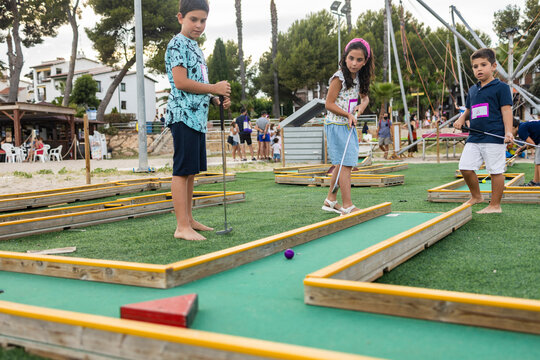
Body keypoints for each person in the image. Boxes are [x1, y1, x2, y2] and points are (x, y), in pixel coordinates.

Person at [165, 0, 231, 241]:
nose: (199, 25)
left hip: (197, 117)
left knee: (191, 171)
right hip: (182, 115)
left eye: (203, 20)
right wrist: (214, 87)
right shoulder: (176, 45)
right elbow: (180, 82)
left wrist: (214, 98)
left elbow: (197, 84)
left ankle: (189, 219)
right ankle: (181, 227)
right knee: (182, 171)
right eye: (194, 19)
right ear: (180, 17)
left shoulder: (196, 48)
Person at [453, 48, 513, 214]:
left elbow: (507, 110)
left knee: (495, 171)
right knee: (465, 167)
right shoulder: (473, 90)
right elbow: (470, 109)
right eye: (475, 66)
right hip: (474, 136)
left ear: (493, 66)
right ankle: (477, 196)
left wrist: (508, 132)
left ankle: (495, 205)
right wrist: (461, 118)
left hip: (494, 136)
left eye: (483, 65)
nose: (478, 69)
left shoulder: (501, 87)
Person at [322, 37, 374, 215]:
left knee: (341, 164)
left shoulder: (359, 76)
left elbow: (365, 98)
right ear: (345, 57)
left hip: (348, 125)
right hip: (336, 124)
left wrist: (360, 107)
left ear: (365, 61)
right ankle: (347, 205)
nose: (354, 63)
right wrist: (348, 114)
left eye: (359, 60)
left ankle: (330, 199)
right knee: (346, 164)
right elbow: (328, 104)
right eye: (351, 58)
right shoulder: (339, 78)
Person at [512, 119, 540, 186]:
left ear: (512, 127)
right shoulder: (523, 126)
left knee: (539, 162)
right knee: (537, 162)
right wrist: (522, 149)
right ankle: (535, 181)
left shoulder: (521, 130)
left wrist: (522, 150)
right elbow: (532, 143)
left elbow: (532, 144)